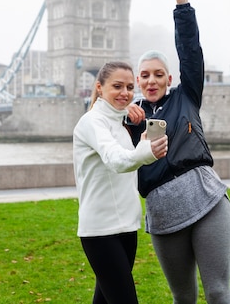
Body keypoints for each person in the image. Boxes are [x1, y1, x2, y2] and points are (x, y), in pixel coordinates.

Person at [126, 0, 230, 304]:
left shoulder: (186, 96)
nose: (152, 80)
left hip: (206, 200)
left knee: (218, 292)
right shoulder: (130, 117)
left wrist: (182, 4)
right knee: (183, 298)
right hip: (163, 212)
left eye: (159, 74)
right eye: (145, 75)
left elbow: (191, 53)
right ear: (137, 81)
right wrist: (125, 116)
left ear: (169, 78)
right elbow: (98, 131)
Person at [73, 61, 168, 304]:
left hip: (126, 227)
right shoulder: (91, 122)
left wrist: (129, 116)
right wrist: (146, 151)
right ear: (99, 87)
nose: (125, 93)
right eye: (117, 86)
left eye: (128, 87)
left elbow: (124, 158)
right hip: (101, 230)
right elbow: (116, 160)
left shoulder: (119, 122)